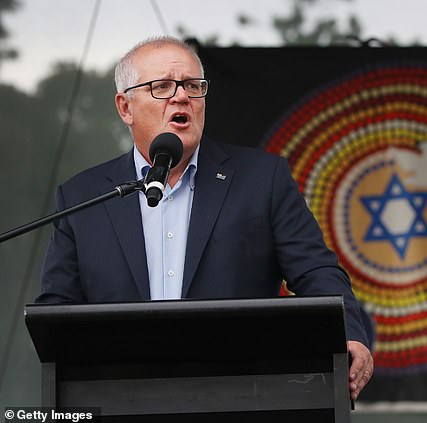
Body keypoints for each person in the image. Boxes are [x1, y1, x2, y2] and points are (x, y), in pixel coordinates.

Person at [37, 36, 373, 400]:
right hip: (121, 399)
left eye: (193, 86)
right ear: (125, 107)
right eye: (162, 86)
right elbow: (57, 310)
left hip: (241, 397)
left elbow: (316, 272)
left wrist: (348, 333)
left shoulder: (262, 179)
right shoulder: (83, 196)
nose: (181, 97)